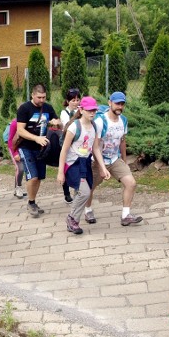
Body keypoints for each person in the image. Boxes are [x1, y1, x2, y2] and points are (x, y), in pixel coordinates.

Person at [81, 91, 145, 227]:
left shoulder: (124, 120)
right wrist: (101, 167)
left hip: (114, 159)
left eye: (122, 104)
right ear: (110, 103)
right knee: (90, 188)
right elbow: (95, 146)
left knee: (131, 183)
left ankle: (126, 215)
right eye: (117, 103)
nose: (120, 107)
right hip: (97, 160)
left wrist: (124, 160)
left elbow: (122, 141)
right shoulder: (100, 121)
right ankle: (87, 210)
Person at [57, 96, 109, 234]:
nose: (92, 113)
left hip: (85, 162)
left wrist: (103, 168)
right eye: (89, 110)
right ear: (81, 110)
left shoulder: (94, 126)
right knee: (85, 192)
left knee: (82, 191)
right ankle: (72, 218)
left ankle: (73, 220)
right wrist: (61, 172)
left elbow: (96, 148)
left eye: (94, 110)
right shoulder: (74, 127)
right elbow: (64, 150)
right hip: (72, 163)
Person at [16, 84, 59, 218]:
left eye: (44, 97)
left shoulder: (48, 108)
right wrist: (36, 138)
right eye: (39, 97)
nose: (41, 100)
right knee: (33, 176)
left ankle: (32, 201)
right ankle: (31, 203)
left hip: (42, 149)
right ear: (32, 95)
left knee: (39, 177)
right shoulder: (24, 108)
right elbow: (20, 130)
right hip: (26, 147)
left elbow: (56, 120)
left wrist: (57, 122)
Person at [59, 89, 82, 203]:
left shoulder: (81, 111)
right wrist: (76, 115)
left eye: (78, 100)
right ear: (68, 101)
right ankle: (66, 192)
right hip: (67, 143)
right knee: (66, 166)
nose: (76, 102)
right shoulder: (65, 113)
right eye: (73, 100)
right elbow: (67, 126)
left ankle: (78, 189)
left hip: (78, 143)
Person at [5, 118, 26, 199]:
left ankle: (16, 188)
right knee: (20, 168)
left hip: (24, 148)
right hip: (14, 148)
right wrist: (15, 153)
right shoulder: (15, 123)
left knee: (20, 169)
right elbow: (10, 140)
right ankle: (18, 188)